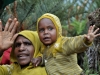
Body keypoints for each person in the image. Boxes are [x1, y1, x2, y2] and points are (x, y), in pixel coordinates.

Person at [36, 13, 100, 75]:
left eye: (50, 28)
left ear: (58, 29)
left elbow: (73, 43)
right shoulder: (44, 48)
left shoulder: (63, 43)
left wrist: (85, 40)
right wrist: (40, 59)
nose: (45, 32)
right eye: (41, 30)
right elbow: (46, 58)